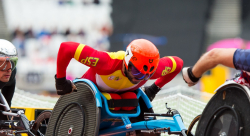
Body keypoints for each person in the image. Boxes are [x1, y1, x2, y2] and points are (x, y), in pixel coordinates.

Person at [55, 39, 183, 105]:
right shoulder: (106, 62)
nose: (139, 78)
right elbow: (66, 48)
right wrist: (60, 80)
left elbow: (179, 64)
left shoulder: (150, 71)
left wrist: (154, 88)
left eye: (146, 75)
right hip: (87, 95)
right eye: (137, 72)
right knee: (114, 99)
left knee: (130, 99)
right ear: (126, 61)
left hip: (123, 97)